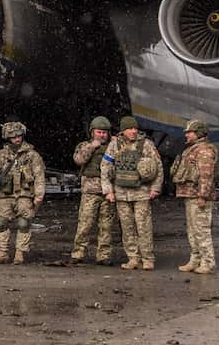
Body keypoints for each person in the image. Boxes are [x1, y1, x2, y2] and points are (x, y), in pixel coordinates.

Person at [100, 115, 164, 270]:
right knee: (127, 227)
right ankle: (133, 258)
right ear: (123, 131)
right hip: (121, 193)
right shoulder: (114, 145)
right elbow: (105, 167)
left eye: (135, 128)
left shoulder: (146, 145)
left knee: (144, 227)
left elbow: (158, 167)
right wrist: (108, 191)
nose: (134, 131)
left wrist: (156, 188)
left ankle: (147, 258)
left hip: (141, 192)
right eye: (130, 128)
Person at [0, 121, 47, 264]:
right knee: (1, 223)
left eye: (19, 136)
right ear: (7, 138)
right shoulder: (1, 155)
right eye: (13, 137)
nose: (17, 139)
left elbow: (39, 176)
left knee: (24, 223)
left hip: (24, 195)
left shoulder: (32, 155)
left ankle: (20, 253)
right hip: (5, 195)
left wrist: (39, 194)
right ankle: (3, 252)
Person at [172, 119, 219, 274]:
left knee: (201, 230)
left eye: (189, 132)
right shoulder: (191, 149)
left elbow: (206, 175)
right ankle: (195, 259)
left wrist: (203, 195)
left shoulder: (204, 150)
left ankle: (208, 262)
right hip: (190, 195)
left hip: (198, 196)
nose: (186, 134)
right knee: (192, 231)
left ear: (198, 133)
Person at [70, 116, 115, 265]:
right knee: (85, 224)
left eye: (104, 132)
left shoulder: (114, 146)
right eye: (99, 132)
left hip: (108, 191)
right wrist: (91, 147)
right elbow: (78, 160)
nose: (102, 135)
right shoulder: (85, 145)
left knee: (106, 226)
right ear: (92, 132)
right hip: (90, 191)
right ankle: (78, 254)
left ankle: (104, 256)